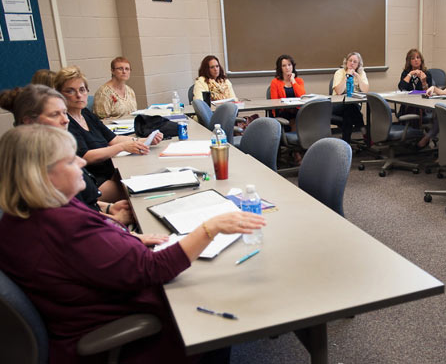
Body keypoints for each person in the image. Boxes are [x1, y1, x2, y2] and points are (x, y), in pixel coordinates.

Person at [0, 124, 265, 363]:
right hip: (119, 326)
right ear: (41, 176)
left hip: (82, 310)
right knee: (218, 318)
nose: (82, 162)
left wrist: (129, 235)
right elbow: (154, 268)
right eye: (70, 160)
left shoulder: (27, 214)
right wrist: (211, 227)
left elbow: (87, 246)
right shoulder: (64, 225)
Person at [0, 84, 166, 246]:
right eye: (55, 114)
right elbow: (74, 222)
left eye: (64, 113)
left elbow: (79, 207)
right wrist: (119, 225)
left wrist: (107, 208)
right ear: (29, 121)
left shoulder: (55, 148)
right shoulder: (44, 165)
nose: (65, 120)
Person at [54, 66, 162, 202]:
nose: (79, 95)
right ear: (60, 95)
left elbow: (114, 139)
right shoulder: (66, 123)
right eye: (70, 91)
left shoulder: (86, 114)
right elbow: (86, 156)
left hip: (111, 171)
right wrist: (123, 147)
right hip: (94, 180)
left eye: (82, 90)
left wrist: (142, 140)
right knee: (142, 195)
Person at [331, 52, 369, 143]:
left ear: (358, 64)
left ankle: (345, 142)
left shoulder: (361, 73)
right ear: (346, 62)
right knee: (350, 107)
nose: (352, 63)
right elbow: (339, 91)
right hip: (337, 105)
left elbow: (365, 90)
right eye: (350, 60)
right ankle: (363, 130)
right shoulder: (339, 72)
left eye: (355, 62)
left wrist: (358, 77)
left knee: (349, 112)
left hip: (353, 105)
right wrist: (347, 76)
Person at [269, 54, 306, 131]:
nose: (287, 68)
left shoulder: (299, 81)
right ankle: (295, 138)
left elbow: (302, 95)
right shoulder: (275, 82)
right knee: (293, 115)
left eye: (289, 65)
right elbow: (274, 102)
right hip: (282, 111)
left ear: (293, 66)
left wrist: (293, 80)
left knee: (304, 113)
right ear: (280, 68)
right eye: (284, 66)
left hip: (297, 110)